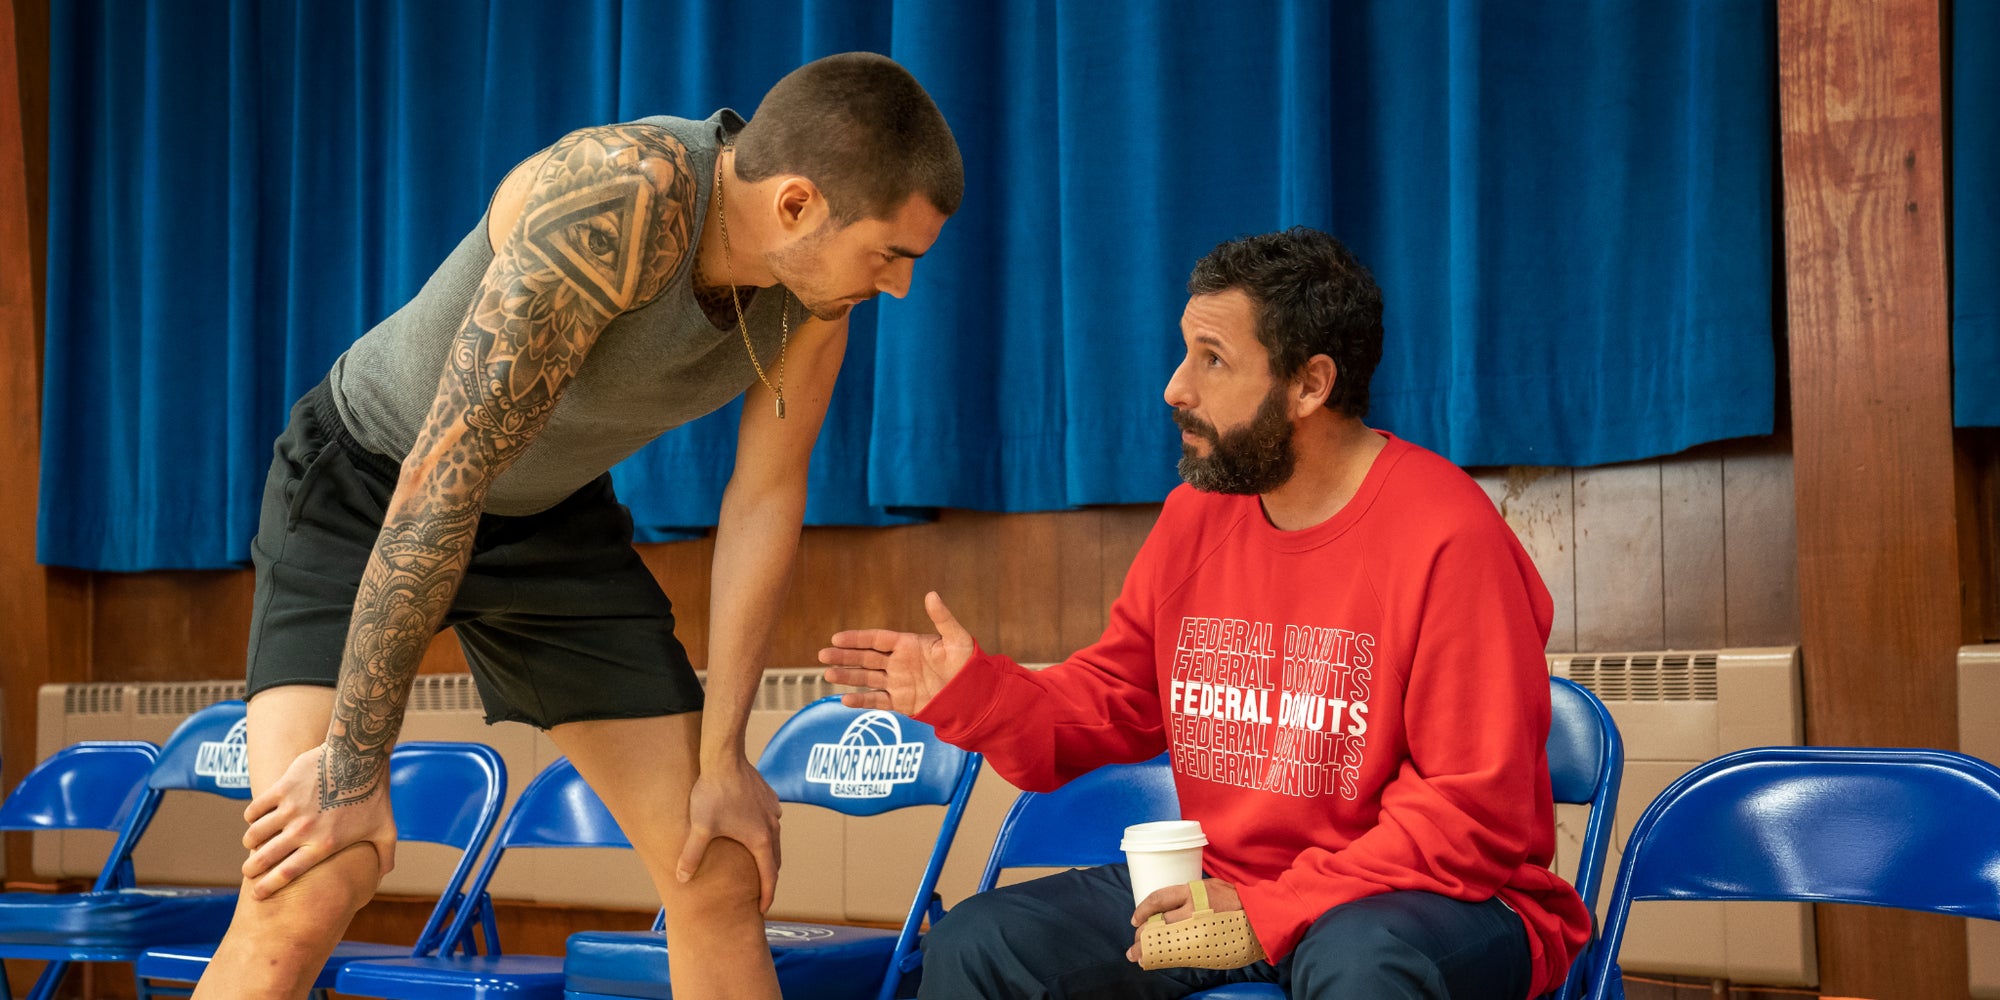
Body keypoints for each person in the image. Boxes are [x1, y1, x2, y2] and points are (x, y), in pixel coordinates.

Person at [195, 52, 961, 999]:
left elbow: (765, 499)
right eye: (892, 254)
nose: (898, 287)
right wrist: (352, 766)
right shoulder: (617, 199)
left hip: (548, 513)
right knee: (315, 879)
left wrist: (724, 759)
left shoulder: (816, 296)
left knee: (713, 862)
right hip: (370, 484)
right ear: (798, 205)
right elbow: (444, 477)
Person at [820, 228, 1591, 1000]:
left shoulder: (1448, 534)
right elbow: (1115, 700)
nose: (1175, 388)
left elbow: (1466, 817)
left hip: (1439, 901)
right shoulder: (1197, 515)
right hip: (1227, 888)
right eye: (1186, 352)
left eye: (1212, 359)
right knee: (981, 944)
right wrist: (977, 695)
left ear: (1310, 385)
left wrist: (1271, 911)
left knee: (1362, 967)